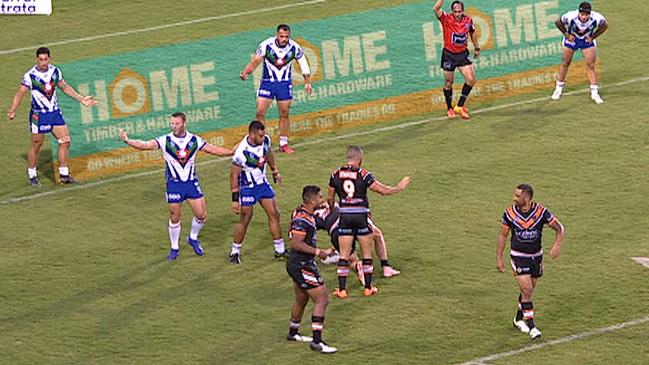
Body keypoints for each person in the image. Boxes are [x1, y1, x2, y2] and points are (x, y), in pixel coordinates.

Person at [119, 112, 233, 260]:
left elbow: (214, 150)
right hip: (174, 184)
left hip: (191, 183)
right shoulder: (165, 140)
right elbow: (145, 145)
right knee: (175, 216)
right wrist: (128, 140)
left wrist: (231, 152)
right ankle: (174, 248)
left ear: (184, 123)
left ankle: (192, 238)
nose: (173, 126)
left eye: (176, 123)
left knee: (202, 215)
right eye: (172, 123)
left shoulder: (194, 140)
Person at [328, 146, 411, 298]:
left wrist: (337, 208)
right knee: (366, 254)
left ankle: (342, 290)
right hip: (361, 216)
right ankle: (368, 288)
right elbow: (382, 190)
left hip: (345, 216)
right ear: (360, 159)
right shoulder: (363, 174)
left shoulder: (335, 174)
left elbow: (330, 199)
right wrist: (398, 188)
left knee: (344, 255)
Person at [7, 47, 97, 186]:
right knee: (37, 145)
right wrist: (13, 110)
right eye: (41, 59)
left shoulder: (55, 72)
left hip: (54, 113)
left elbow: (65, 87)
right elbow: (20, 93)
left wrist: (81, 99)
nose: (43, 62)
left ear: (49, 58)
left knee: (65, 141)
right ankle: (32, 174)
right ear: (37, 59)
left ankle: (64, 175)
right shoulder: (30, 76)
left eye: (45, 59)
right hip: (38, 116)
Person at [496, 184, 565, 340]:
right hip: (518, 256)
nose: (514, 198)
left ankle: (518, 318)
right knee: (526, 289)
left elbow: (560, 228)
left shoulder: (541, 212)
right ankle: (532, 326)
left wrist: (557, 245)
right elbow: (502, 235)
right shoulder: (509, 213)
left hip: (535, 257)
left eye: (517, 196)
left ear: (526, 198)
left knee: (528, 291)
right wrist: (499, 258)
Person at [239, 24, 313, 154]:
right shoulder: (266, 45)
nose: (284, 39)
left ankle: (283, 143)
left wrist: (307, 82)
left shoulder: (294, 47)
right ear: (277, 35)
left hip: (284, 84)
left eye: (286, 37)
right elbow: (256, 61)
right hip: (268, 83)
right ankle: (260, 142)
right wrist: (246, 72)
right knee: (260, 112)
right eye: (281, 36)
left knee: (284, 113)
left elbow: (303, 63)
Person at [286, 185, 337, 354]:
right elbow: (296, 243)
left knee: (301, 299)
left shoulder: (301, 212)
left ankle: (293, 333)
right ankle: (317, 342)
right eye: (320, 198)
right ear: (311, 200)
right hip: (302, 264)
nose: (322, 200)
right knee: (322, 298)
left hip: (297, 263)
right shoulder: (302, 219)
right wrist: (318, 252)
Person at [229, 120, 286, 264]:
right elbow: (234, 175)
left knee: (274, 214)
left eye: (263, 135)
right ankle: (234, 252)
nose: (263, 138)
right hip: (247, 188)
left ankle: (280, 250)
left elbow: (268, 153)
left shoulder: (265, 140)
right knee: (246, 218)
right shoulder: (241, 152)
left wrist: (275, 171)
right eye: (260, 136)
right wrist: (235, 199)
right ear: (252, 134)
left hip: (262, 184)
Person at [313, 202, 401, 283]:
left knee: (350, 260)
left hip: (337, 231)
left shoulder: (311, 216)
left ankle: (358, 265)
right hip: (353, 219)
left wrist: (318, 251)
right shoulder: (333, 203)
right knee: (377, 235)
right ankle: (386, 267)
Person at [552, 2, 608, 104]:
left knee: (591, 65)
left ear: (590, 14)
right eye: (582, 14)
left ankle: (594, 93)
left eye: (586, 15)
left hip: (586, 41)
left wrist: (593, 37)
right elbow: (558, 22)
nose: (584, 17)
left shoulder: (597, 18)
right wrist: (567, 34)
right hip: (572, 40)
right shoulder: (570, 16)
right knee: (565, 63)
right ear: (579, 12)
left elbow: (604, 26)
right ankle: (558, 88)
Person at [433, 0, 480, 120]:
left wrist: (476, 47)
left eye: (459, 11)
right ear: (452, 11)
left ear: (463, 11)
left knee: (470, 79)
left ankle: (459, 106)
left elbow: (473, 33)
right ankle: (449, 108)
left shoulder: (468, 21)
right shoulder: (446, 19)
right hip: (449, 55)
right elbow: (436, 9)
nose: (457, 14)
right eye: (455, 11)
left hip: (462, 55)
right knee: (449, 82)